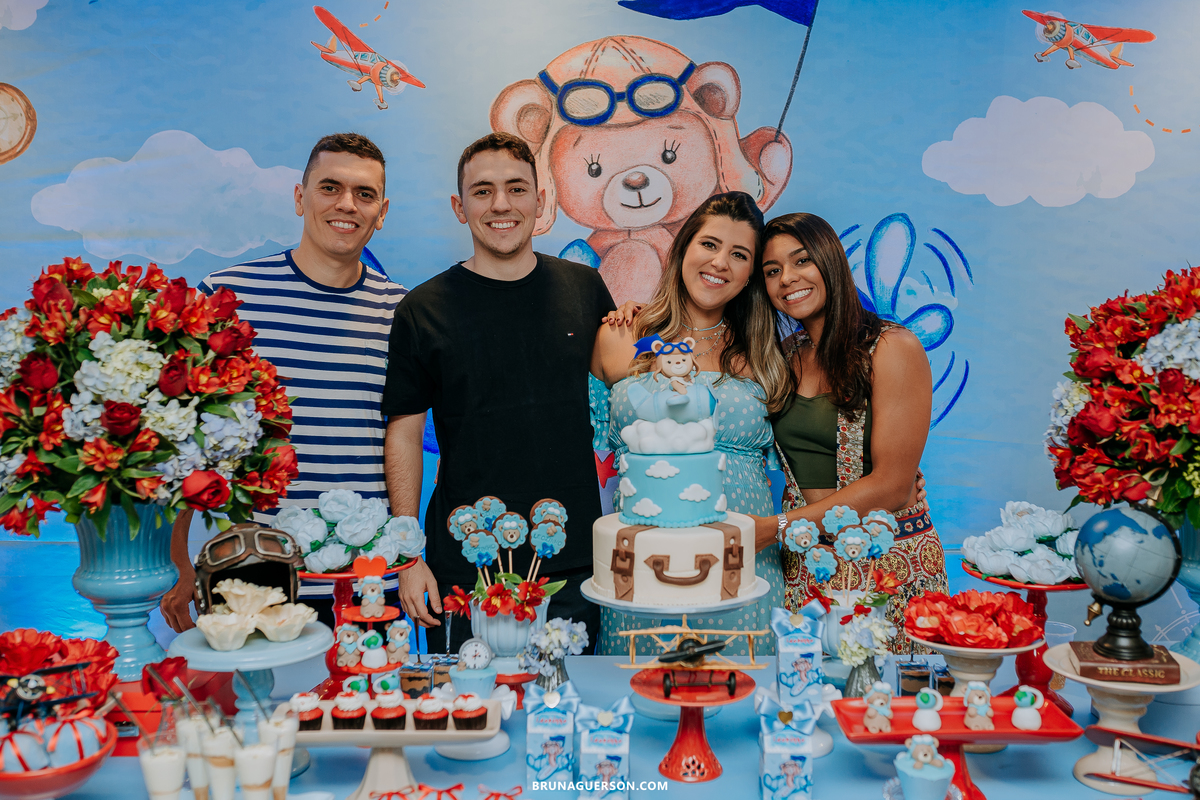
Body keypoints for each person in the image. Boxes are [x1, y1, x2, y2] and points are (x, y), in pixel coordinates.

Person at [159, 132, 407, 632]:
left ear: (381, 212)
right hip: (249, 573)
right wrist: (178, 562)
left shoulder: (403, 312)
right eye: (330, 187)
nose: (346, 204)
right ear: (300, 197)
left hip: (367, 580)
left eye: (364, 194)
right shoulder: (227, 296)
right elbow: (181, 438)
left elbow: (403, 434)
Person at [382, 132, 616, 653]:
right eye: (482, 191)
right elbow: (404, 433)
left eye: (516, 188)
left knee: (565, 698)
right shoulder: (422, 309)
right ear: (459, 207)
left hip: (576, 561)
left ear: (541, 200)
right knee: (470, 701)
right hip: (465, 565)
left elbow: (629, 385)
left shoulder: (584, 289)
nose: (501, 204)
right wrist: (408, 555)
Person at [589, 192, 792, 655]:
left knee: (744, 690)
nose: (720, 262)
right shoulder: (625, 336)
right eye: (709, 244)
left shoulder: (766, 355)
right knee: (641, 687)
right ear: (683, 249)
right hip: (643, 567)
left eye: (739, 254)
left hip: (744, 564)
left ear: (751, 273)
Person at [758, 212, 948, 652]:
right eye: (772, 270)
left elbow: (893, 485)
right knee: (806, 689)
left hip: (889, 563)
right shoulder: (783, 357)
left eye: (801, 260)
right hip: (806, 566)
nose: (787, 278)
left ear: (830, 261)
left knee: (890, 693)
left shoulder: (892, 347)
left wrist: (777, 526)